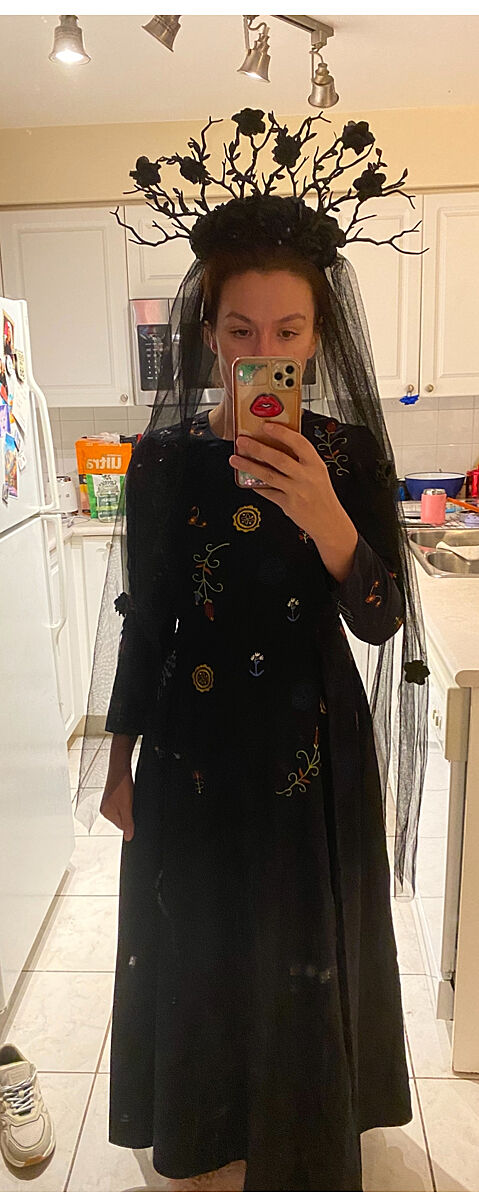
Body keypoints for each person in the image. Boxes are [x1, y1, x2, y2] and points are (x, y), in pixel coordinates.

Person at [75, 111, 429, 1191]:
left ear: (316, 335)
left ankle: (305, 1128)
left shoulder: (348, 455)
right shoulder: (162, 460)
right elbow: (148, 617)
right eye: (240, 330)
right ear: (209, 331)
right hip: (190, 744)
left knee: (299, 939)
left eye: (286, 330)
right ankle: (207, 1127)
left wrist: (325, 516)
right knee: (202, 935)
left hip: (308, 744)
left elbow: (381, 619)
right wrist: (118, 758)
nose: (261, 351)